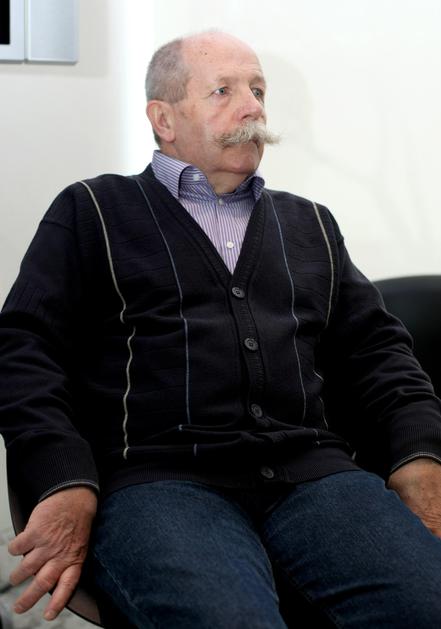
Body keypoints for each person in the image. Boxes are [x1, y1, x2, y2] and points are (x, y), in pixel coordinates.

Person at [1, 30, 441, 628]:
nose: (253, 106)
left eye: (258, 90)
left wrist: (419, 454)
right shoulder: (92, 211)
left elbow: (380, 353)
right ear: (163, 119)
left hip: (315, 475)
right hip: (158, 482)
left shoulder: (310, 223)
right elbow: (23, 348)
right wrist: (63, 477)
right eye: (223, 90)